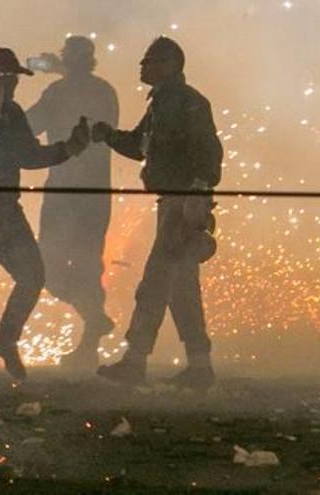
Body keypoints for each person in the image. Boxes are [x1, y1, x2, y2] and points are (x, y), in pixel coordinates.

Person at [92, 37, 222, 390]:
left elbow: (209, 151)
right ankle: (199, 366)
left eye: (149, 61)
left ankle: (135, 361)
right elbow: (139, 146)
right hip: (173, 202)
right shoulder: (162, 105)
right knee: (181, 289)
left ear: (169, 65)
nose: (142, 67)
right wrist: (107, 136)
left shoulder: (189, 103)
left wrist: (198, 192)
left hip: (181, 204)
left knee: (155, 282)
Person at [0, 48, 90, 380]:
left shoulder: (14, 113)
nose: (13, 84)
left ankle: (6, 338)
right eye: (6, 78)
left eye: (15, 78)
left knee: (33, 275)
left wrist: (69, 148)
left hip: (5, 215)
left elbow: (28, 156)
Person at [27, 36, 120, 369]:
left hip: (65, 193)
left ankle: (92, 317)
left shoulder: (59, 92)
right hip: (95, 195)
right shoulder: (105, 91)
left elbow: (27, 127)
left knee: (47, 269)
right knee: (88, 267)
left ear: (66, 61)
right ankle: (90, 336)